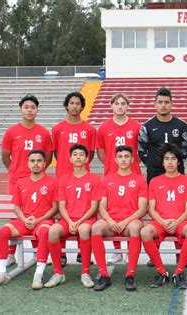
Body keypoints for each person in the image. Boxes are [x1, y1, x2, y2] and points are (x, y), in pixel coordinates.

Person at [0, 150, 58, 289]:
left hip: (43, 221)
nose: (35, 164)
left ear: (44, 163)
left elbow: (55, 208)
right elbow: (16, 207)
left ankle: (38, 274)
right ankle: (1, 273)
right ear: (28, 163)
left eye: (39, 161)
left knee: (44, 233)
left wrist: (38, 220)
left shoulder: (52, 182)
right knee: (3, 231)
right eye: (32, 161)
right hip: (24, 221)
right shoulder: (21, 182)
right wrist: (24, 219)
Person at [1, 94, 53, 266]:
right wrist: (15, 170)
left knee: (36, 214)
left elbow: (48, 156)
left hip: (38, 181)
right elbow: (5, 156)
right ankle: (10, 254)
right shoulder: (11, 131)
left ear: (37, 110)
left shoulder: (43, 132)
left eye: (33, 107)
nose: (30, 110)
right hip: (17, 181)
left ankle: (37, 252)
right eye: (26, 107)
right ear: (20, 109)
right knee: (17, 216)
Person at [91, 145, 148, 291]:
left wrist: (125, 221)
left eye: (126, 157)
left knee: (136, 227)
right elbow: (101, 207)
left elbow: (142, 209)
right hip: (111, 221)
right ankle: (104, 275)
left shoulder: (139, 180)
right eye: (120, 157)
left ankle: (130, 275)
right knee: (96, 227)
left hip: (129, 222)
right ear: (115, 160)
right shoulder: (107, 179)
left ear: (132, 159)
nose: (123, 159)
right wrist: (110, 220)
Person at [141, 144, 187, 289]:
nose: (170, 162)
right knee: (145, 231)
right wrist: (163, 222)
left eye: (173, 159)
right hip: (160, 222)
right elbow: (151, 209)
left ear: (179, 162)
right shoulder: (155, 181)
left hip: (180, 221)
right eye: (167, 159)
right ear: (162, 162)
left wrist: (177, 222)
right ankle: (162, 273)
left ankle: (178, 273)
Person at [44, 144, 101, 289]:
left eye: (81, 154)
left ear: (87, 158)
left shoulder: (94, 179)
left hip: (86, 219)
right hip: (67, 219)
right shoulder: (63, 180)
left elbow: (94, 207)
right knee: (52, 231)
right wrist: (69, 221)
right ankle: (58, 273)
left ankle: (85, 272)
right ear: (70, 158)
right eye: (75, 154)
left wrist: (79, 221)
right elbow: (61, 206)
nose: (78, 157)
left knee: (83, 230)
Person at [52, 91, 96, 266]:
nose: (74, 106)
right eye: (71, 103)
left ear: (82, 107)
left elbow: (90, 154)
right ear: (66, 105)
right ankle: (61, 253)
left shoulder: (89, 129)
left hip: (83, 178)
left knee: (82, 211)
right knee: (61, 213)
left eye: (78, 103)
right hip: (62, 177)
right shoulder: (57, 129)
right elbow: (56, 152)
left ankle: (81, 252)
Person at [97, 93, 141, 264]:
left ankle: (130, 249)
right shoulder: (104, 127)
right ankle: (116, 251)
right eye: (117, 103)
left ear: (128, 106)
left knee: (130, 211)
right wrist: (112, 164)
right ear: (112, 106)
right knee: (113, 212)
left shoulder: (136, 126)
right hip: (111, 175)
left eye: (123, 103)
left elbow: (140, 151)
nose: (120, 106)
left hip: (133, 176)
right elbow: (101, 152)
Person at [138, 87, 187, 184]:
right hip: (154, 173)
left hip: (177, 172)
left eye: (166, 102)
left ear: (172, 104)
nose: (163, 105)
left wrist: (175, 163)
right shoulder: (147, 127)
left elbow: (185, 149)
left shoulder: (182, 126)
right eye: (160, 102)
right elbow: (141, 150)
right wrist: (153, 164)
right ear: (155, 104)